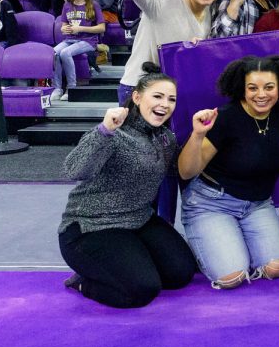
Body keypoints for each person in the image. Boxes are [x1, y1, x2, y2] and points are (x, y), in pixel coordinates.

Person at [178, 56, 279, 289]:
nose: (261, 94)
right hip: (210, 204)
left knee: (275, 269)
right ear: (242, 89)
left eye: (269, 87)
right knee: (232, 277)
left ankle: (231, 240)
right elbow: (186, 172)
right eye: (252, 88)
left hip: (258, 205)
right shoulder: (227, 117)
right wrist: (197, 135)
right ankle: (205, 238)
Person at [58, 66, 196, 308]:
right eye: (157, 96)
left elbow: (182, 171)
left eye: (171, 99)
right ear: (137, 97)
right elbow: (74, 170)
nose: (165, 104)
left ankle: (131, 259)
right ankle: (83, 282)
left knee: (180, 274)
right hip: (92, 226)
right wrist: (105, 130)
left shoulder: (165, 138)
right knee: (142, 290)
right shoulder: (114, 133)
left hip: (139, 220)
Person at [49, 0, 104, 101]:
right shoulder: (67, 5)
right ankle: (57, 88)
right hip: (69, 39)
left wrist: (81, 28)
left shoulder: (93, 5)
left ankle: (71, 88)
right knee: (54, 53)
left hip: (88, 41)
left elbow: (101, 28)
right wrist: (64, 29)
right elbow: (63, 26)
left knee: (65, 53)